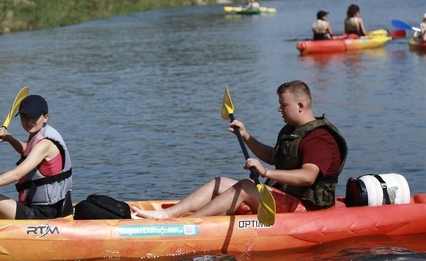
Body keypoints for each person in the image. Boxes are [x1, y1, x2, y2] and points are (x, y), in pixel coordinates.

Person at [131, 81, 348, 219]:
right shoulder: (292, 130)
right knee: (220, 182)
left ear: (300, 105)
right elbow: (275, 157)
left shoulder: (320, 138)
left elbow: (308, 177)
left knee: (245, 186)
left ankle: (188, 223)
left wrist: (265, 173)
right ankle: (168, 214)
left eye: (284, 105)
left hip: (306, 208)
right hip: (286, 196)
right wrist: (246, 136)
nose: (279, 109)